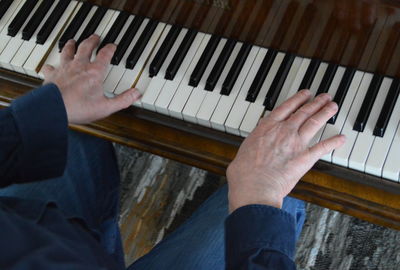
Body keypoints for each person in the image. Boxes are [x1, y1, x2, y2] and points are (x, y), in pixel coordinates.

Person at [0, 34, 345, 270]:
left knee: (66, 123)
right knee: (293, 171)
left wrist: (45, 111)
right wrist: (260, 192)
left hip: (31, 229)